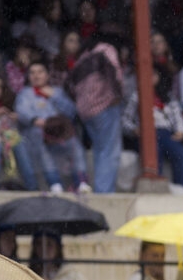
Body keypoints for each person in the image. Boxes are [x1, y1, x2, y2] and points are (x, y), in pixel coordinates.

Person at [15, 60, 87, 192]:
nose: (36, 76)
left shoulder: (57, 91)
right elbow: (22, 112)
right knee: (41, 140)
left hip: (60, 132)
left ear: (47, 75)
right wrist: (35, 120)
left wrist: (54, 97)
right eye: (32, 73)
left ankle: (81, 181)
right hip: (38, 133)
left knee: (75, 144)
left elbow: (71, 112)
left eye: (40, 72)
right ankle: (54, 182)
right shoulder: (25, 93)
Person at [69, 41, 121, 193]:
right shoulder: (106, 50)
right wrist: (117, 94)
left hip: (86, 111)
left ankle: (101, 189)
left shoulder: (82, 59)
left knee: (100, 151)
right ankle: (104, 192)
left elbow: (70, 85)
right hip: (105, 106)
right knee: (109, 152)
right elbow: (114, 72)